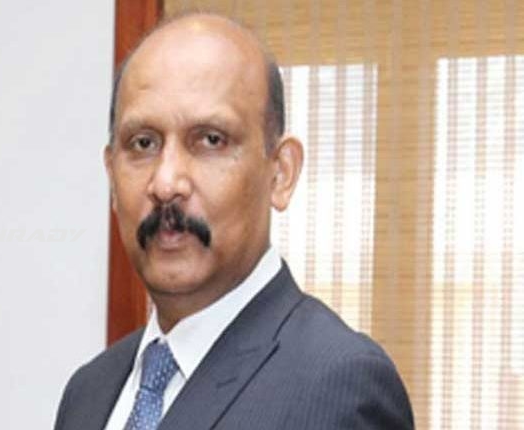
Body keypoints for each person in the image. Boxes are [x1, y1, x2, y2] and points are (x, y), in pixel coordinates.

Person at [54, 12, 414, 430]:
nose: (166, 183)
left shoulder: (340, 387)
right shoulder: (89, 392)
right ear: (112, 175)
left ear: (281, 173)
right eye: (143, 143)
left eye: (211, 140)